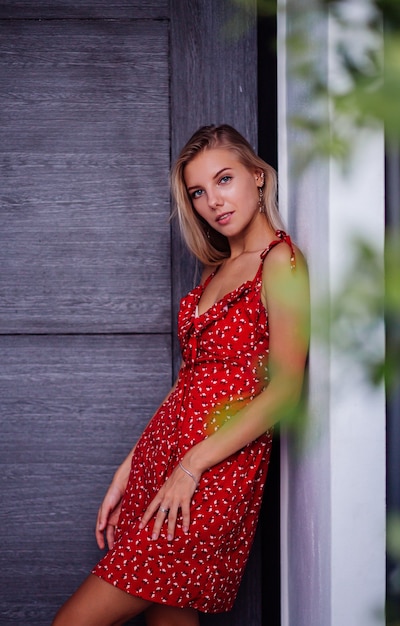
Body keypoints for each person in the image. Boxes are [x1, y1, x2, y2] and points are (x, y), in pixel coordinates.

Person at [52, 124, 309, 626]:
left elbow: (286, 389)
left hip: (212, 474)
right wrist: (128, 467)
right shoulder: (214, 271)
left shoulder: (279, 263)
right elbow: (188, 382)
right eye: (198, 191)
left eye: (224, 179)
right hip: (166, 464)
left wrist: (190, 466)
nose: (213, 200)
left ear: (258, 177)